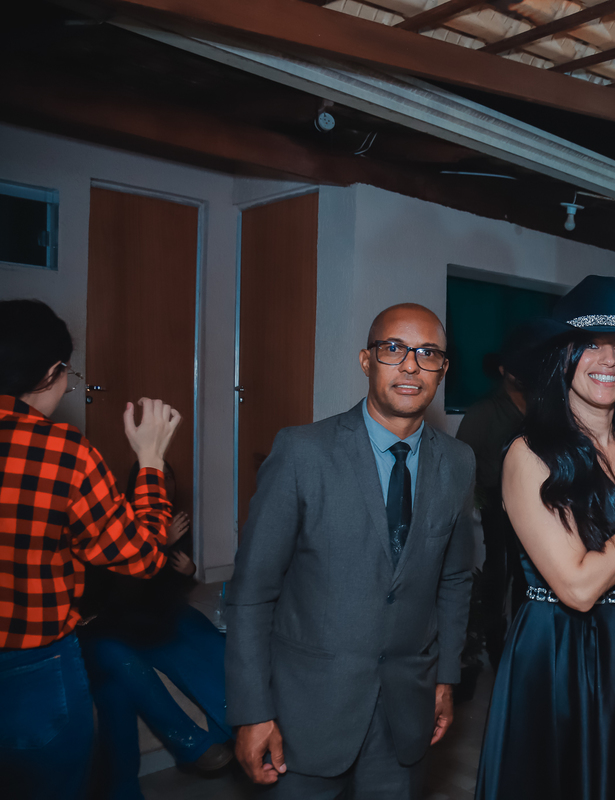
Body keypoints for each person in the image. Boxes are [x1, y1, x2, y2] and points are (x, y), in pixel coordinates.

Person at [225, 303, 475, 799]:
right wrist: (252, 712)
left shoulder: (458, 461)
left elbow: (454, 578)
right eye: (393, 349)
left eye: (427, 353)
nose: (411, 365)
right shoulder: (302, 452)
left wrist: (445, 676)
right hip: (307, 712)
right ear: (366, 361)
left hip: (406, 710)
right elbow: (252, 592)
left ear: (443, 369)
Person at [474, 275, 615, 800]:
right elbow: (577, 588)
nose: (609, 360)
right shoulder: (529, 454)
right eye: (590, 344)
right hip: (566, 649)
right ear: (562, 356)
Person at [0, 299, 181, 800]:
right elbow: (143, 556)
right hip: (31, 669)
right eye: (67, 374)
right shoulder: (61, 451)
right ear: (51, 373)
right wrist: (150, 461)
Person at [77, 461, 233, 799]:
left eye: (168, 477)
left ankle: (235, 729)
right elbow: (117, 594)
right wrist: (158, 543)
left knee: (202, 637)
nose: (163, 483)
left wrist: (188, 570)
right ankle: (191, 744)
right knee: (119, 671)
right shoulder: (116, 525)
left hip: (152, 611)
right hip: (111, 619)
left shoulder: (176, 521)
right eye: (153, 477)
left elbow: (174, 586)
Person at [455, 327, 534, 670]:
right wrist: (475, 504)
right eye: (514, 365)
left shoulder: (541, 407)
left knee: (527, 576)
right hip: (494, 507)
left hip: (534, 508)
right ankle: (496, 648)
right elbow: (461, 463)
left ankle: (522, 645)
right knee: (498, 575)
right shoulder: (484, 410)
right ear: (502, 369)